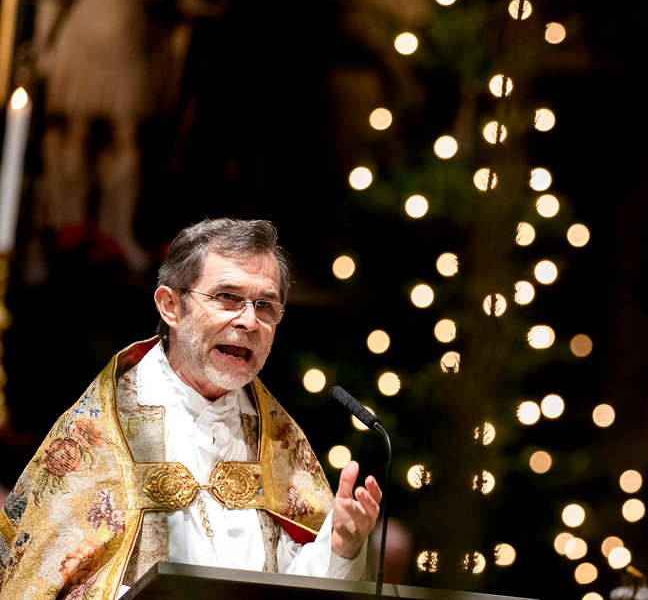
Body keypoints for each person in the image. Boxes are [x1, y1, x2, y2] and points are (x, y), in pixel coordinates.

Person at [0, 218, 382, 598]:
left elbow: (293, 588)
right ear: (171, 307)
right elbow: (38, 586)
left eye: (265, 305)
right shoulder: (97, 436)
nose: (249, 321)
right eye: (227, 297)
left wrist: (339, 549)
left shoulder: (278, 441)